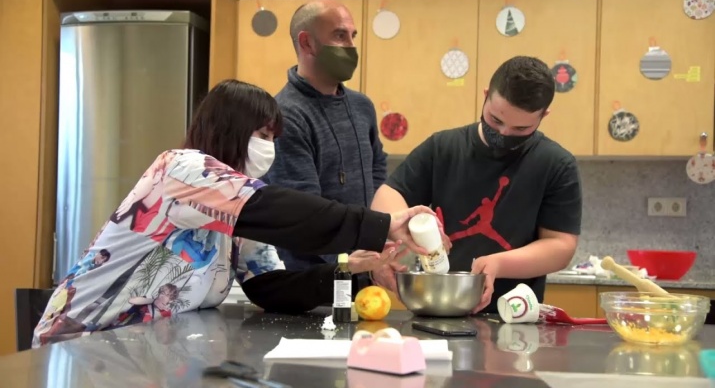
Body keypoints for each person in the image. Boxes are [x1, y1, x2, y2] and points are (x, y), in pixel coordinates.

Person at [33, 79, 432, 347]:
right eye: (261, 136)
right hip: (83, 342)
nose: (268, 148)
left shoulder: (236, 209)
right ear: (229, 129)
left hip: (140, 350)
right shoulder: (182, 169)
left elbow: (270, 285)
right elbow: (282, 211)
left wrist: (355, 270)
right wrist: (382, 226)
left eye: (272, 139)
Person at [370, 56, 582, 314]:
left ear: (543, 115)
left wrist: (499, 264)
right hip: (438, 309)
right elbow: (389, 194)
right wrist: (386, 242)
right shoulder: (443, 148)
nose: (504, 134)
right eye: (496, 120)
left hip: (514, 316)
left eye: (520, 128)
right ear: (485, 96)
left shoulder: (556, 165)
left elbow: (561, 246)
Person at [264, 0, 388, 276]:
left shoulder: (361, 106)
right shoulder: (285, 115)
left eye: (353, 36)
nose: (351, 46)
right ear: (307, 43)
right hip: (312, 278)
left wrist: (379, 241)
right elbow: (303, 210)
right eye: (339, 35)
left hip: (364, 267)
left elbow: (378, 171)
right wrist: (348, 262)